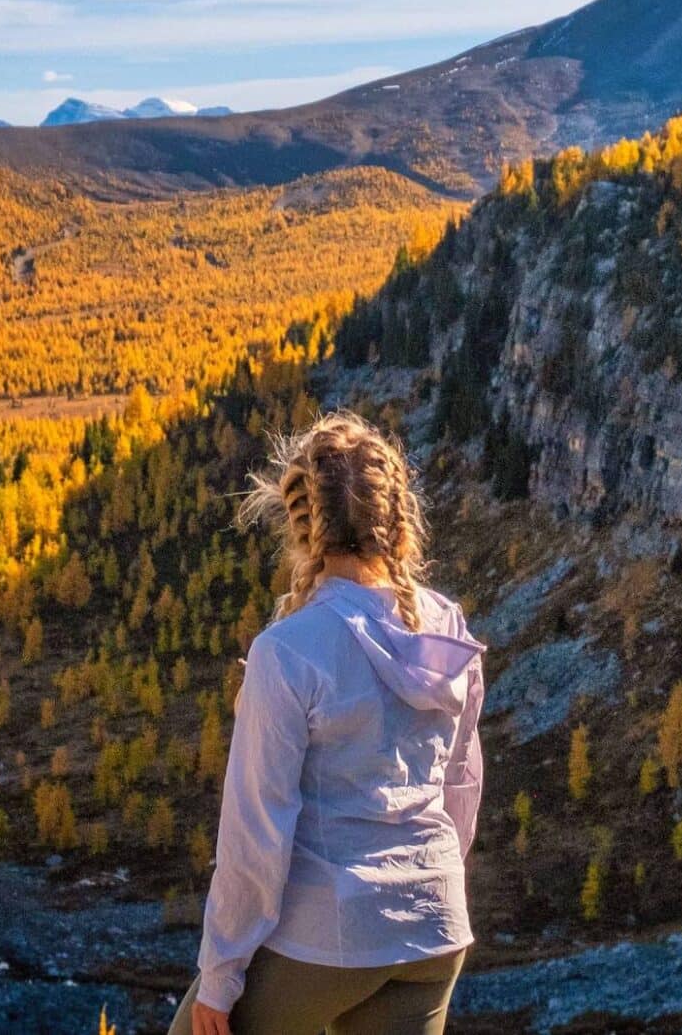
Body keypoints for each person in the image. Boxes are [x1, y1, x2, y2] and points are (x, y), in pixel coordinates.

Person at [174, 412, 485, 1035]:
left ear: (301, 527)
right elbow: (461, 788)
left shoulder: (288, 650)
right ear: (398, 519)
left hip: (332, 933)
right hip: (435, 927)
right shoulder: (446, 626)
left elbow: (254, 837)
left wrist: (220, 977)